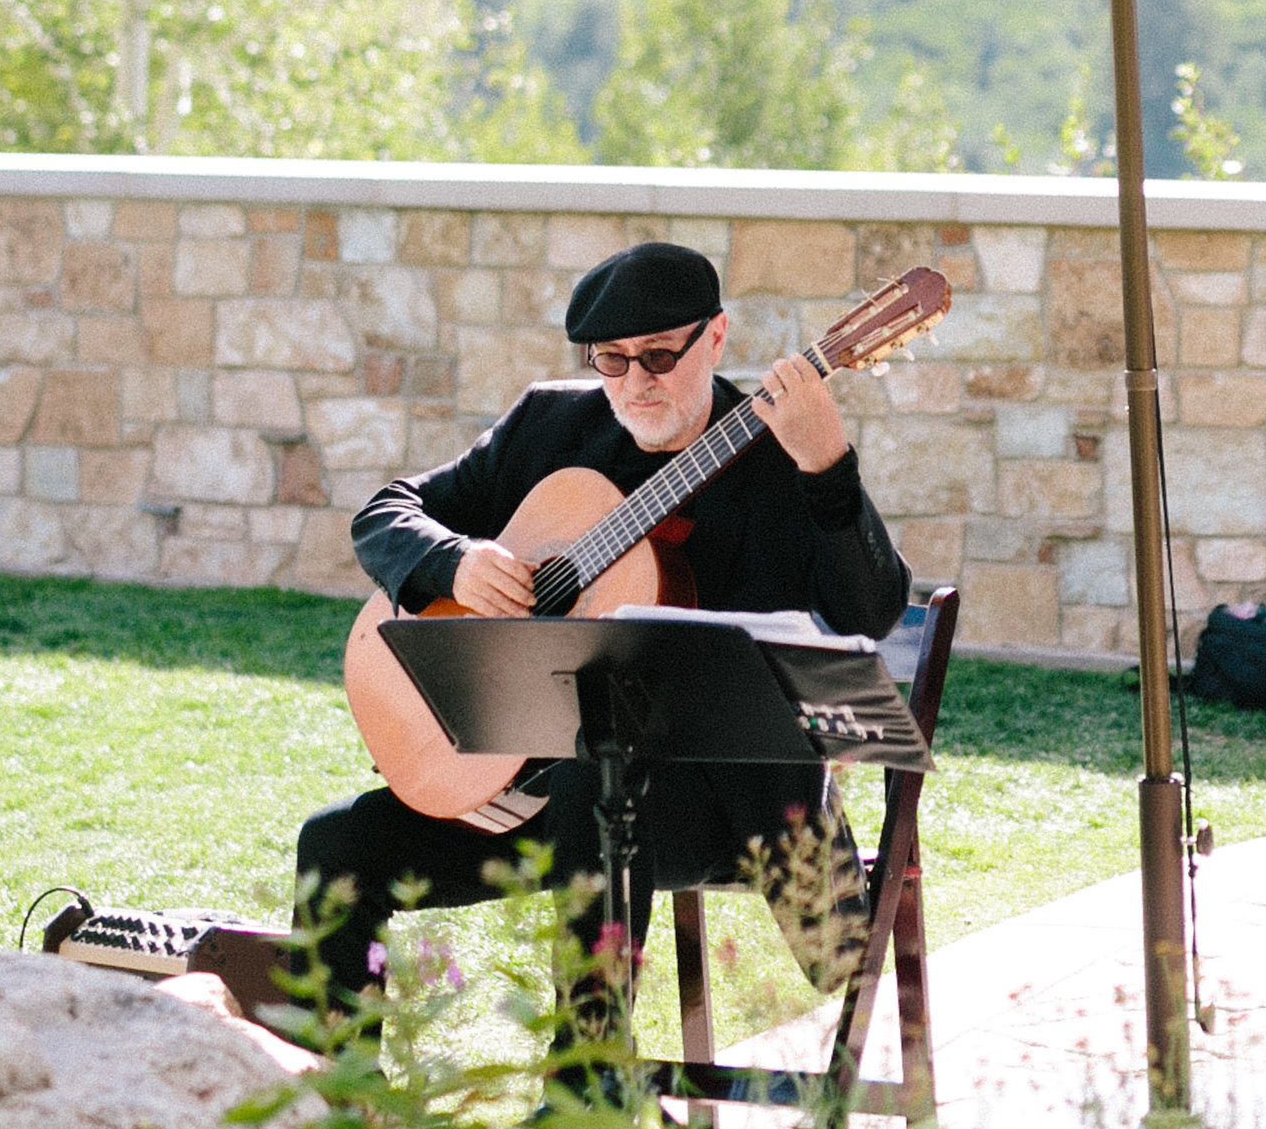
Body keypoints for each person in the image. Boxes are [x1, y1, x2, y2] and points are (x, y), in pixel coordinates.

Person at [295, 239, 910, 1002]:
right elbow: (386, 514)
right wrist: (453, 563)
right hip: (536, 793)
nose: (635, 383)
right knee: (337, 846)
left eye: (657, 356)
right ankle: (331, 1101)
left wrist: (828, 469)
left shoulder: (780, 453)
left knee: (599, 767)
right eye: (610, 360)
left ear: (714, 337)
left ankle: (586, 1090)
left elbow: (873, 612)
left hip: (712, 807)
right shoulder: (551, 426)